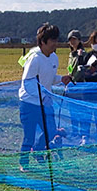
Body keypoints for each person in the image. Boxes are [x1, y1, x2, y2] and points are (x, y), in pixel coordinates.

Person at [17, 22, 69, 171]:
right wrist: (41, 96)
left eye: (56, 40)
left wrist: (61, 79)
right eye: (52, 40)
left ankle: (38, 150)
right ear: (43, 42)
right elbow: (27, 82)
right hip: (29, 103)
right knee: (29, 136)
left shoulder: (54, 58)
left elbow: (49, 78)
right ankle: (24, 163)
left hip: (46, 103)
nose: (55, 44)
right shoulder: (34, 58)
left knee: (51, 131)